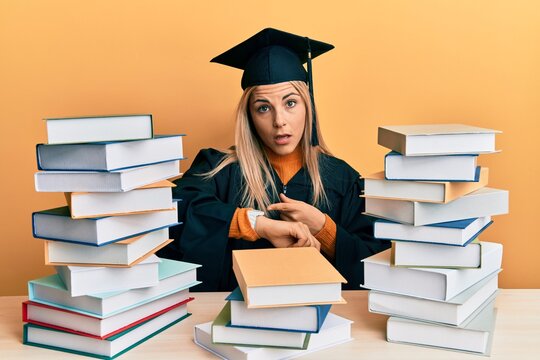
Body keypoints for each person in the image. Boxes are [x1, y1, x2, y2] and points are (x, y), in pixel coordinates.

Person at [158, 28, 390, 291]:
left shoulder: (342, 178)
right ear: (249, 116)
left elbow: (377, 264)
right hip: (232, 320)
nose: (279, 121)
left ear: (308, 106)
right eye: (263, 108)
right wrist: (256, 224)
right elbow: (174, 216)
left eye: (290, 103)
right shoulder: (218, 169)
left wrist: (324, 229)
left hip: (321, 323)